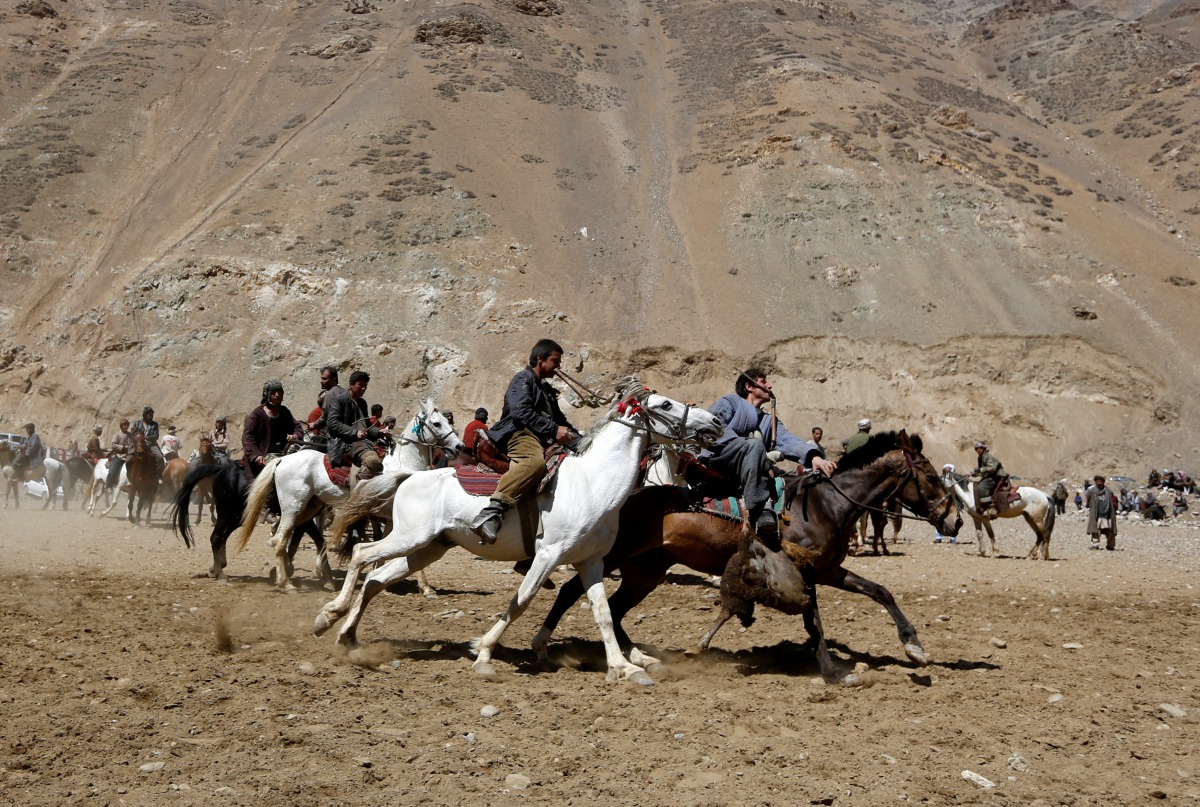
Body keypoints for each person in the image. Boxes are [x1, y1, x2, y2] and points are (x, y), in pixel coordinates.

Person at [704, 367, 835, 543]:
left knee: (788, 481)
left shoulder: (768, 421)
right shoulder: (729, 402)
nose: (770, 385)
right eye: (764, 381)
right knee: (755, 445)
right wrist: (754, 453)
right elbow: (713, 426)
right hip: (721, 458)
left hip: (754, 467)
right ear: (749, 386)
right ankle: (758, 510)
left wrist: (814, 457)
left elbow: (788, 441)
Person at [473, 339, 580, 544]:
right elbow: (520, 412)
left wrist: (582, 442)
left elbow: (561, 422)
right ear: (540, 359)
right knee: (533, 463)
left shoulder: (547, 391)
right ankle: (491, 511)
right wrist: (554, 429)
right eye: (555, 361)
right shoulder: (523, 379)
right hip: (520, 434)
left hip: (541, 437)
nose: (558, 366)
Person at [322, 370, 382, 478]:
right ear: (351, 384)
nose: (363, 388)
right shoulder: (340, 399)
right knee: (372, 460)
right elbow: (332, 423)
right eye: (360, 385)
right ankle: (359, 490)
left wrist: (379, 432)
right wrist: (354, 433)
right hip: (346, 442)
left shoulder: (362, 403)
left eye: (365, 385)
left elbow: (367, 425)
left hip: (364, 441)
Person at [242, 380, 303, 481]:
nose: (277, 395)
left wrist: (295, 435)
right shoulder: (257, 414)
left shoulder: (284, 411)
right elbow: (248, 438)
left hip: (282, 454)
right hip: (262, 458)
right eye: (274, 392)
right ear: (267, 395)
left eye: (279, 392)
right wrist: (256, 455)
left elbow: (297, 427)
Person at [970, 440, 1005, 517]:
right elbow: (982, 471)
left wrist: (980, 470)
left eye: (980, 448)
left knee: (981, 488)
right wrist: (974, 474)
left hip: (994, 476)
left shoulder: (988, 457)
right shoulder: (980, 458)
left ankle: (991, 507)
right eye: (976, 449)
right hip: (987, 476)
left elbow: (992, 468)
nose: (978, 450)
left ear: (984, 448)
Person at [130, 406, 165, 476]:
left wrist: (146, 437)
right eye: (149, 415)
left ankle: (158, 475)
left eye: (152, 415)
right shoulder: (137, 423)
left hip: (151, 444)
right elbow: (133, 434)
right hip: (138, 444)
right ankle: (129, 476)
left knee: (160, 457)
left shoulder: (154, 424)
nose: (151, 417)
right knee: (128, 459)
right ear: (145, 415)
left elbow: (156, 436)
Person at [1085, 475, 1117, 550]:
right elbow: (1088, 500)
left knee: (1110, 531)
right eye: (1098, 481)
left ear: (1103, 482)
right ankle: (1095, 545)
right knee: (1095, 530)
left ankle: (1110, 545)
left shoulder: (1108, 491)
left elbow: (1112, 501)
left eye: (1101, 481)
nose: (1099, 483)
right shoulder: (1091, 491)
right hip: (1097, 514)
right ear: (1095, 482)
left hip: (1107, 515)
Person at [311, 366, 343, 433]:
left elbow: (326, 416)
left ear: (334, 379)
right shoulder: (344, 392)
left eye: (324, 379)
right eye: (321, 378)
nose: (321, 381)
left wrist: (314, 424)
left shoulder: (329, 394)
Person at [106, 418, 133, 488]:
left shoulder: (130, 435)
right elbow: (113, 445)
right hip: (119, 455)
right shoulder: (117, 435)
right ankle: (108, 485)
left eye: (127, 425)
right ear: (121, 426)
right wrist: (123, 447)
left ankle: (130, 481)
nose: (126, 426)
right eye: (124, 425)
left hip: (128, 456)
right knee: (113, 469)